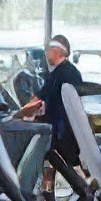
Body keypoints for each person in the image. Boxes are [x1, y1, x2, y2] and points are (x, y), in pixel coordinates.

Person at [18, 34, 84, 183]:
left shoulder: (58, 74)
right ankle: (52, 191)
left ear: (57, 52)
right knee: (61, 163)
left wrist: (18, 114)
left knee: (57, 162)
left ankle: (83, 188)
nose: (46, 54)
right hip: (69, 126)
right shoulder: (71, 71)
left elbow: (38, 98)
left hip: (60, 129)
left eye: (49, 51)